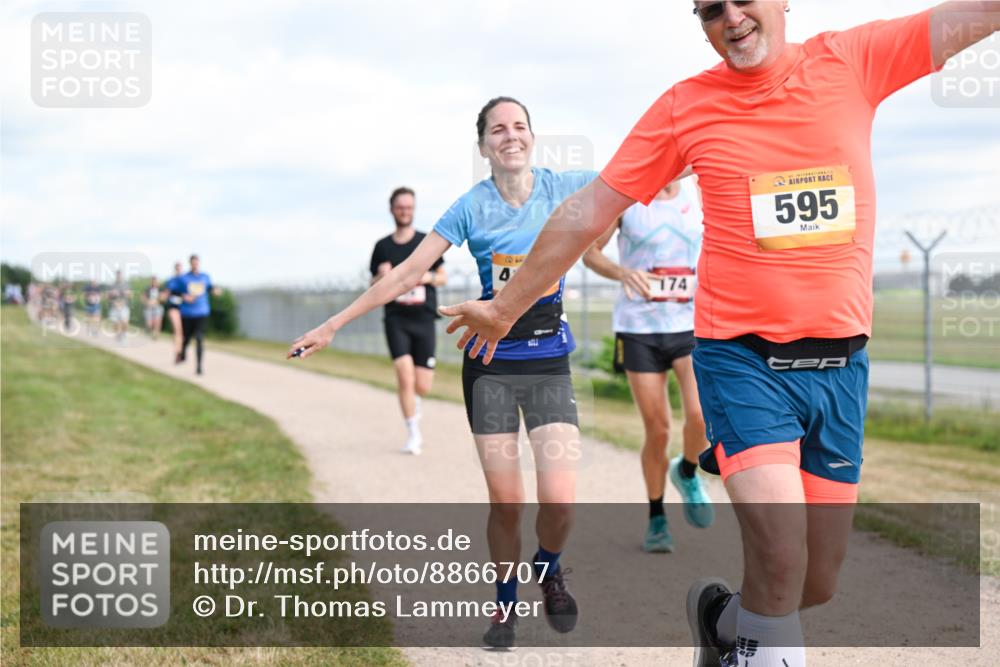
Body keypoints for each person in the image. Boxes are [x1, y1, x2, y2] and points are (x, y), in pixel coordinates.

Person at [440, 4, 997, 665]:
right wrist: (506, 306)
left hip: (843, 368)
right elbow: (589, 209)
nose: (731, 16)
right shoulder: (687, 106)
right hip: (743, 360)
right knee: (783, 555)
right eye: (710, 7)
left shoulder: (855, 58)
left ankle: (720, 621)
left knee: (814, 580)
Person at [290, 97, 596, 650]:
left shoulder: (564, 186)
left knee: (561, 501)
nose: (510, 136)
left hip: (549, 360)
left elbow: (638, 176)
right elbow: (408, 271)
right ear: (483, 146)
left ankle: (548, 568)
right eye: (498, 130)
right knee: (507, 503)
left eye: (520, 127)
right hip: (492, 366)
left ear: (533, 137)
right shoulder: (470, 207)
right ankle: (505, 607)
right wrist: (334, 324)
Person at [582, 179, 713, 553]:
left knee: (701, 415)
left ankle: (686, 471)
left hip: (689, 323)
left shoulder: (698, 194)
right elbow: (590, 253)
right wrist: (623, 273)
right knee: (657, 430)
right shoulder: (628, 199)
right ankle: (657, 516)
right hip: (639, 328)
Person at [370, 187, 446, 455]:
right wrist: (381, 276)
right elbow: (373, 284)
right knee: (404, 376)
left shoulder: (426, 242)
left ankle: (415, 404)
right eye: (400, 207)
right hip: (396, 319)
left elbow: (442, 276)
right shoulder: (382, 247)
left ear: (413, 209)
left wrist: (426, 278)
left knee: (422, 385)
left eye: (409, 207)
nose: (405, 211)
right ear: (392, 210)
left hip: (423, 318)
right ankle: (413, 432)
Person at [177, 255, 220, 375]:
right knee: (186, 338)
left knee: (199, 338)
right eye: (193, 263)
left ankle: (199, 367)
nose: (195, 265)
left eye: (197, 263)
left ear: (199, 263)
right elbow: (175, 292)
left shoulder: (205, 277)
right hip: (187, 313)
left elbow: (210, 288)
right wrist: (184, 296)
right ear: (190, 264)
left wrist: (215, 291)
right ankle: (183, 352)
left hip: (202, 312)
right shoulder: (183, 278)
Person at [163, 262, 185, 361]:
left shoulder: (186, 280)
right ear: (175, 269)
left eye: (180, 268)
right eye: (177, 268)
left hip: (185, 308)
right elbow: (166, 293)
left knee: (182, 332)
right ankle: (177, 352)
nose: (179, 270)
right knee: (177, 329)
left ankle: (181, 350)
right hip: (173, 308)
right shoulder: (171, 281)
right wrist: (163, 296)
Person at [107, 270, 131, 344]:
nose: (119, 277)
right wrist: (112, 295)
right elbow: (108, 296)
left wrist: (127, 293)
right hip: (115, 306)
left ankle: (124, 335)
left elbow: (130, 295)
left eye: (120, 275)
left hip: (124, 306)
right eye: (117, 275)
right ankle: (118, 336)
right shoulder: (112, 285)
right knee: (116, 323)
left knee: (124, 322)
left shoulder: (126, 284)